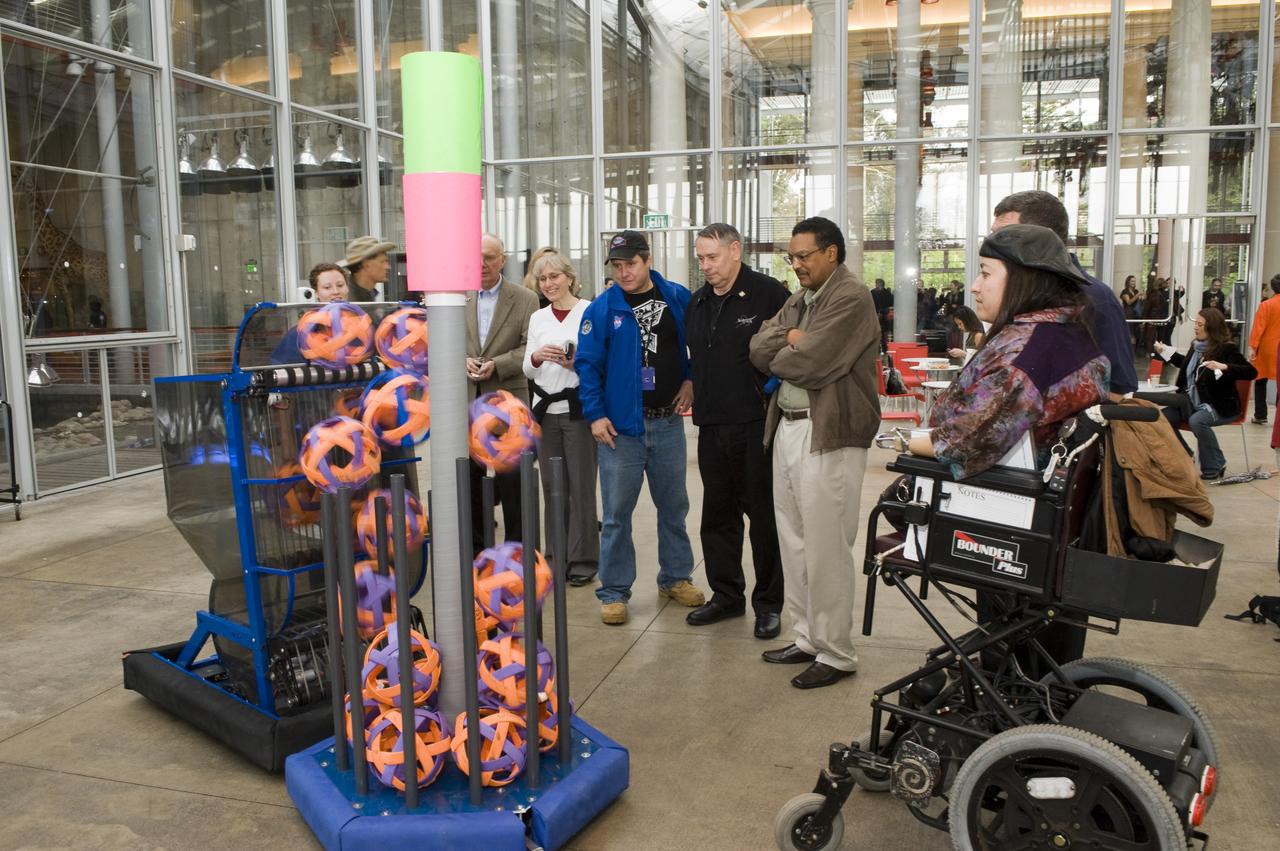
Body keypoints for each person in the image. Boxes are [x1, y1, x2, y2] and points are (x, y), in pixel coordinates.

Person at [907, 225, 1109, 674]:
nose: (974, 285)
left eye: (985, 273)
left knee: (1013, 654)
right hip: (1059, 528)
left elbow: (964, 441)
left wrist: (906, 444)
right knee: (1049, 654)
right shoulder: (1071, 331)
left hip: (1010, 522)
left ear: (1022, 277)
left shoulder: (1024, 349)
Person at [748, 216, 880, 690]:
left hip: (830, 435)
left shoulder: (850, 296)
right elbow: (757, 347)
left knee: (827, 548)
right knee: (795, 540)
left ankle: (837, 651)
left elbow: (816, 362)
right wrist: (790, 337)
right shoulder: (802, 299)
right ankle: (807, 637)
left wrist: (791, 346)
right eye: (792, 257)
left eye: (804, 256)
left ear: (831, 253)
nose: (797, 264)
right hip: (788, 429)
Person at [576, 230, 705, 626]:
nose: (623, 272)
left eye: (630, 264)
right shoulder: (602, 309)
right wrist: (596, 416)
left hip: (667, 423)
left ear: (647, 259)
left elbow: (699, 346)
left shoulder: (677, 297)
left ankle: (675, 577)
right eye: (616, 266)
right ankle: (614, 591)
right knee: (616, 515)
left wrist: (691, 379)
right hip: (620, 432)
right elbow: (587, 366)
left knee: (674, 508)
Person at [685, 223, 790, 639]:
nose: (705, 266)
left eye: (711, 257)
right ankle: (726, 595)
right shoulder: (697, 303)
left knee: (763, 518)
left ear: (735, 250)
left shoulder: (768, 294)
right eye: (700, 258)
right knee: (718, 517)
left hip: (755, 425)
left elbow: (791, 352)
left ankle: (769, 603)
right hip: (711, 425)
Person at [992, 191, 1138, 394]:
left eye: (1006, 235)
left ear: (1045, 238)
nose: (995, 244)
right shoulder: (1011, 293)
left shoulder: (1095, 298)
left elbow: (1120, 383)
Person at [522, 250, 599, 587]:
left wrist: (577, 362)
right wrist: (538, 357)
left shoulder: (588, 312)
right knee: (553, 487)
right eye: (543, 279)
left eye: (554, 276)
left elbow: (599, 361)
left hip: (578, 411)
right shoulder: (538, 318)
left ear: (569, 277)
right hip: (545, 412)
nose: (549, 283)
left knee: (581, 486)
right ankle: (555, 557)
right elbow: (527, 366)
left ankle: (583, 559)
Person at [466, 233, 540, 553]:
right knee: (470, 481)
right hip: (469, 401)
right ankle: (478, 553)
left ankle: (518, 554)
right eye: (477, 256)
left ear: (503, 260)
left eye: (490, 257)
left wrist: (498, 364)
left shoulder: (524, 298)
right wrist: (461, 360)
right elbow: (441, 342)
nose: (482, 263)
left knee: (514, 483)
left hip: (509, 403)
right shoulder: (458, 298)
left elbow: (530, 347)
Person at [1152, 309, 1256, 480]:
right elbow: (1185, 365)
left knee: (1197, 421)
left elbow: (1251, 372)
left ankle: (1215, 464)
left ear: (1212, 328)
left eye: (1200, 325)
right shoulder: (1196, 347)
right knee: (1160, 419)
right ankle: (1185, 454)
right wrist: (1164, 352)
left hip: (1219, 405)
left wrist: (1225, 367)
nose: (1196, 328)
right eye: (1196, 324)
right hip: (1191, 403)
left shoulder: (1227, 349)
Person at [271, 263, 350, 364]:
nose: (336, 291)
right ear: (316, 293)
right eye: (327, 287)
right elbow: (282, 370)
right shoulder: (299, 334)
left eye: (340, 285)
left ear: (347, 288)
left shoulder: (364, 326)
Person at [1248, 274, 1280, 425]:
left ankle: (1260, 414)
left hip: (1268, 348)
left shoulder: (1266, 305)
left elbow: (1258, 328)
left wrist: (1253, 347)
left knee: (1261, 379)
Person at [342, 235, 395, 301]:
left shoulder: (366, 293)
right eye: (382, 262)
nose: (388, 267)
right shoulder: (346, 298)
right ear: (367, 265)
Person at [870, 277, 893, 347]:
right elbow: (891, 303)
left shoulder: (873, 292)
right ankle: (883, 345)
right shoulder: (887, 293)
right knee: (884, 331)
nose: (876, 285)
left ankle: (880, 345)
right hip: (883, 313)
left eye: (877, 283)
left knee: (880, 331)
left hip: (878, 313)